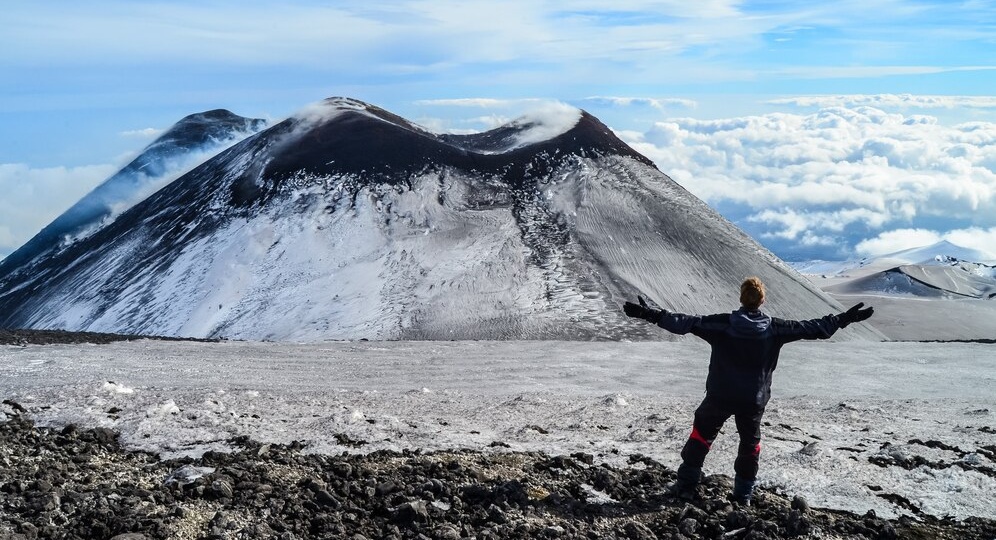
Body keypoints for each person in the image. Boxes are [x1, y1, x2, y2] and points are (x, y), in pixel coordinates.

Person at [623, 277, 873, 505]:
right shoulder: (774, 328)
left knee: (701, 436)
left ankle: (686, 487)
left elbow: (685, 323)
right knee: (749, 445)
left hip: (720, 395)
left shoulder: (722, 324)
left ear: (741, 298)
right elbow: (813, 328)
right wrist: (843, 319)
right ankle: (743, 496)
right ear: (762, 300)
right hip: (752, 400)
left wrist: (650, 314)